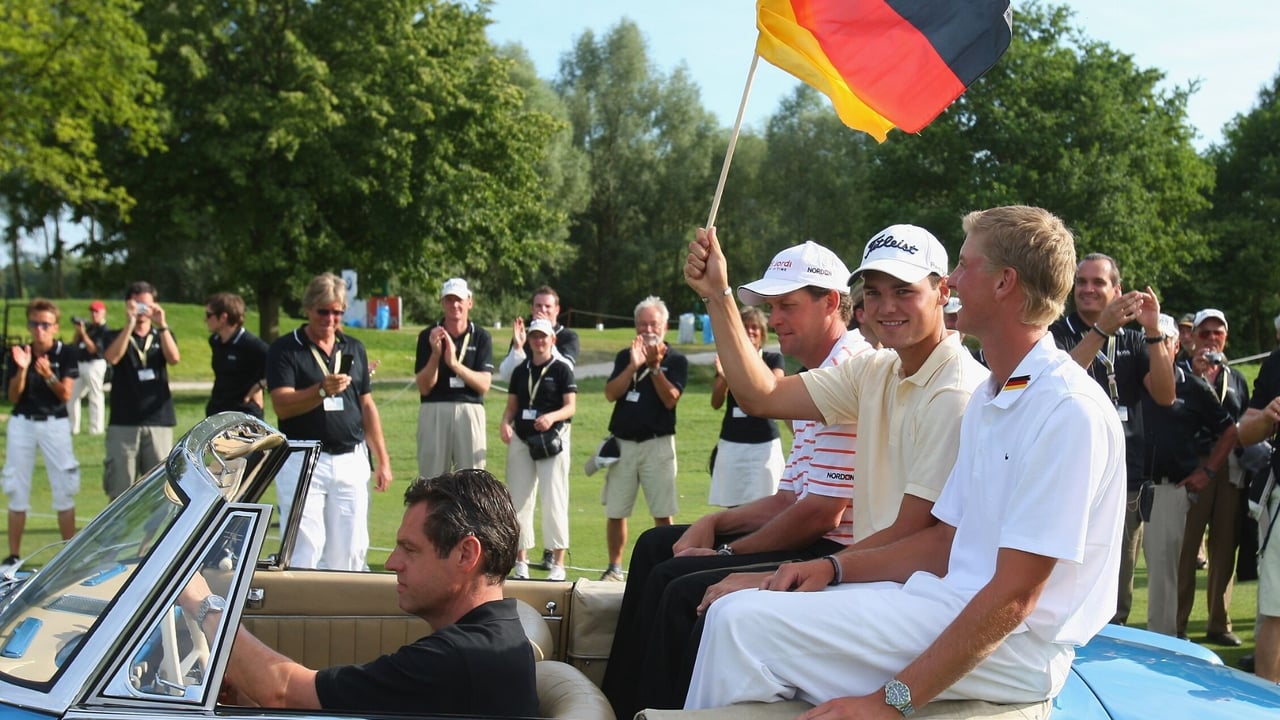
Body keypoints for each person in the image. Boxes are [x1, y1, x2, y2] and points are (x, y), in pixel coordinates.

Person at [683, 205, 1124, 715]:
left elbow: (1014, 597)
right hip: (943, 602)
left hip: (1020, 646)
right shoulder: (995, 394)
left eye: (963, 265)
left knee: (741, 626)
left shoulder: (1066, 410)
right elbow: (942, 541)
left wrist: (890, 703)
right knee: (735, 615)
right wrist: (830, 568)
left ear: (1005, 283)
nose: (953, 279)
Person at [179, 469, 537, 716]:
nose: (393, 563)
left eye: (410, 550)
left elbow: (284, 691)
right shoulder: (490, 638)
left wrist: (204, 605)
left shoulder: (458, 659)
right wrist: (251, 695)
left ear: (465, 554)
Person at [1047, 253, 1174, 625]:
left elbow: (1165, 395)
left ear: (1117, 290)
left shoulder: (1136, 341)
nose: (1087, 289)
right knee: (1063, 579)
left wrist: (1153, 331)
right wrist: (1100, 330)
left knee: (1117, 588)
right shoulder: (1055, 332)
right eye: (1081, 281)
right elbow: (1058, 384)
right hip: (1068, 477)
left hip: (1125, 479)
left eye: (1098, 282)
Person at [267, 272, 393, 570]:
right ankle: (301, 611)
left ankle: (346, 611)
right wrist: (322, 390)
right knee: (304, 546)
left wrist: (383, 459)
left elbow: (366, 404)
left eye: (337, 312)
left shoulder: (353, 348)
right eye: (323, 311)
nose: (330, 318)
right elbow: (282, 405)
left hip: (351, 456)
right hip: (304, 457)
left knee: (351, 547)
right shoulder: (286, 349)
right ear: (309, 309)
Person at [1142, 314, 1237, 636]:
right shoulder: (1130, 379)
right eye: (1147, 341)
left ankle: (1163, 651)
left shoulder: (1193, 386)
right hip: (1125, 487)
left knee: (1165, 579)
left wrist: (1207, 472)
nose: (1153, 348)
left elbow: (1229, 431)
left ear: (1175, 345)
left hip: (1168, 488)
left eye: (1161, 341)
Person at [598, 296, 688, 582]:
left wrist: (654, 368)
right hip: (624, 444)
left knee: (662, 511)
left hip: (657, 444)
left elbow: (671, 399)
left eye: (653, 323)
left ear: (664, 326)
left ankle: (665, 566)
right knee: (616, 509)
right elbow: (611, 393)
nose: (648, 329)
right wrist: (633, 365)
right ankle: (614, 568)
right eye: (642, 324)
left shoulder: (675, 359)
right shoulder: (627, 356)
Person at [1176, 308, 1248, 645]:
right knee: (1186, 549)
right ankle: (1176, 624)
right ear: (1192, 338)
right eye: (1205, 333)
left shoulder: (1236, 379)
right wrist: (1197, 375)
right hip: (1192, 467)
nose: (1211, 339)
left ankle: (1219, 624)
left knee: (1224, 549)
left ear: (1226, 338)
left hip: (1229, 468)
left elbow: (1245, 422)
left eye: (1217, 333)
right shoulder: (1179, 374)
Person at [497, 285, 580, 570]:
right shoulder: (522, 369)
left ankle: (557, 563)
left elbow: (571, 406)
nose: (538, 341)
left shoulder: (561, 368)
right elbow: (511, 407)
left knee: (554, 498)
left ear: (552, 338)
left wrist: (552, 417)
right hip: (522, 436)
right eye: (534, 336)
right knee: (519, 499)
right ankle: (520, 559)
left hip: (552, 438)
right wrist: (505, 424)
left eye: (542, 336)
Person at [2, 299, 80, 566]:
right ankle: (13, 556)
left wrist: (48, 374)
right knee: (16, 487)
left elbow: (66, 394)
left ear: (55, 326)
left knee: (64, 487)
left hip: (54, 423)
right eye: (34, 324)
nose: (39, 330)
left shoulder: (66, 353)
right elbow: (13, 396)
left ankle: (68, 555)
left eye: (45, 324)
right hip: (22, 423)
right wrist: (23, 369)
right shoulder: (19, 352)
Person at [102, 281, 180, 500]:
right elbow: (112, 357)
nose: (143, 311)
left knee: (159, 490)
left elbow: (174, 359)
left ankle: (158, 535)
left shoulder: (163, 334)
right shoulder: (115, 335)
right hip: (123, 421)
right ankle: (117, 535)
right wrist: (130, 323)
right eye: (138, 305)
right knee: (120, 488)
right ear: (129, 304)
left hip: (158, 421)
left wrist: (162, 325)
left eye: (147, 305)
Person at [707, 306, 785, 508]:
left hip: (764, 443)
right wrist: (725, 377)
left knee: (767, 506)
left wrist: (744, 366)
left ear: (762, 333)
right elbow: (716, 402)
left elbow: (774, 391)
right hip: (732, 442)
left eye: (754, 328)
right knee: (732, 506)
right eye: (745, 327)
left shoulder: (773, 359)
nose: (750, 332)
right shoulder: (728, 360)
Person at [415, 278, 493, 478]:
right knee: (431, 480)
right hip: (434, 408)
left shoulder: (481, 336)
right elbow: (424, 387)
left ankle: (470, 512)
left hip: (470, 409)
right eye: (449, 300)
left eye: (459, 300)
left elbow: (484, 385)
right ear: (442, 303)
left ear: (469, 302)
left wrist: (454, 365)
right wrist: (435, 355)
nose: (454, 305)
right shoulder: (428, 335)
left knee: (472, 479)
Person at [1237, 347, 1280, 681]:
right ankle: (1270, 707)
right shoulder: (1277, 361)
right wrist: (1266, 418)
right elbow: (1246, 433)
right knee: (1277, 610)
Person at [204, 292, 269, 419]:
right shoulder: (215, 341)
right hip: (217, 412)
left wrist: (259, 385)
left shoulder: (251, 344)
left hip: (244, 414)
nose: (205, 319)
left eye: (208, 315)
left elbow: (279, 364)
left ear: (223, 317)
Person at [498, 285, 580, 381]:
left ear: (557, 310)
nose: (543, 310)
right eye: (538, 306)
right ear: (532, 309)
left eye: (548, 306)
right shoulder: (522, 336)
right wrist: (517, 348)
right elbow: (506, 376)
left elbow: (567, 369)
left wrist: (547, 331)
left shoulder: (568, 336)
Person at [68, 300, 109, 435]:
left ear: (103, 313)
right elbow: (74, 345)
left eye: (96, 311)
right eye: (92, 311)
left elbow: (93, 349)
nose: (93, 314)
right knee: (72, 396)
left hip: (95, 364)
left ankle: (96, 429)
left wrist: (84, 334)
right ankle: (73, 427)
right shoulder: (89, 327)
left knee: (95, 395)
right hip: (81, 364)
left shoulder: (104, 330)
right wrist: (78, 331)